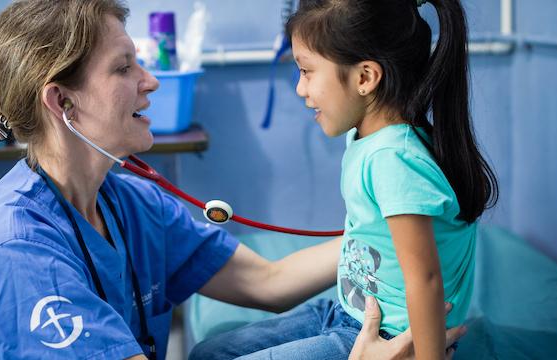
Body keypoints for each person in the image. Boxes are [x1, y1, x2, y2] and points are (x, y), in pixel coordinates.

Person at [0, 0, 466, 359]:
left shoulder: (127, 203)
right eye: (124, 69)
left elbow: (267, 283)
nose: (151, 81)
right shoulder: (17, 255)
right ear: (62, 101)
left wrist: (396, 236)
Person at [189, 0, 498, 359]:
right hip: (346, 312)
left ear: (365, 78)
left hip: (384, 336)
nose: (300, 89)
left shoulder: (393, 159)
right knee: (208, 353)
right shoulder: (368, 138)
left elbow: (425, 279)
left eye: (307, 72)